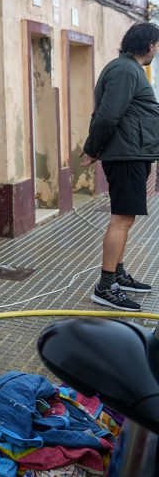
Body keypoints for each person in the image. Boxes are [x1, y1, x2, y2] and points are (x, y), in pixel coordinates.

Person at [80, 22, 159, 312]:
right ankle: (106, 286)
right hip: (126, 155)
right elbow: (107, 116)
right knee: (121, 219)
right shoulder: (126, 70)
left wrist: (95, 147)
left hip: (130, 152)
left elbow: (112, 113)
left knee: (126, 218)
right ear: (149, 44)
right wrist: (92, 148)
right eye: (157, 45)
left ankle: (118, 274)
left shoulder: (127, 69)